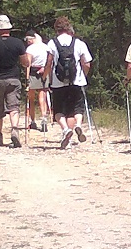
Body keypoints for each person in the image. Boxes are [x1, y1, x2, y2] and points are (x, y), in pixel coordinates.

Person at [43, 16, 93, 149]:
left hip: (58, 82)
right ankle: (77, 125)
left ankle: (65, 130)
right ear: (68, 27)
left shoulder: (52, 43)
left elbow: (49, 63)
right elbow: (86, 63)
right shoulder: (79, 43)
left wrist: (46, 77)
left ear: (56, 29)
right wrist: (83, 76)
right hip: (76, 81)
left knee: (59, 109)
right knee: (75, 109)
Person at [0, 15, 29, 148]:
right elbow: (25, 63)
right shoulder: (18, 43)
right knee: (14, 107)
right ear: (9, 28)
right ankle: (14, 130)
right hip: (13, 79)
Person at [25, 30, 51, 132]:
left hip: (33, 72)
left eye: (28, 39)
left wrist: (27, 78)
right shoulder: (46, 47)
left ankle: (33, 121)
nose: (27, 42)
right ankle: (44, 118)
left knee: (31, 99)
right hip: (44, 72)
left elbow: (28, 64)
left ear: (32, 39)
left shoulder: (30, 49)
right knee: (42, 98)